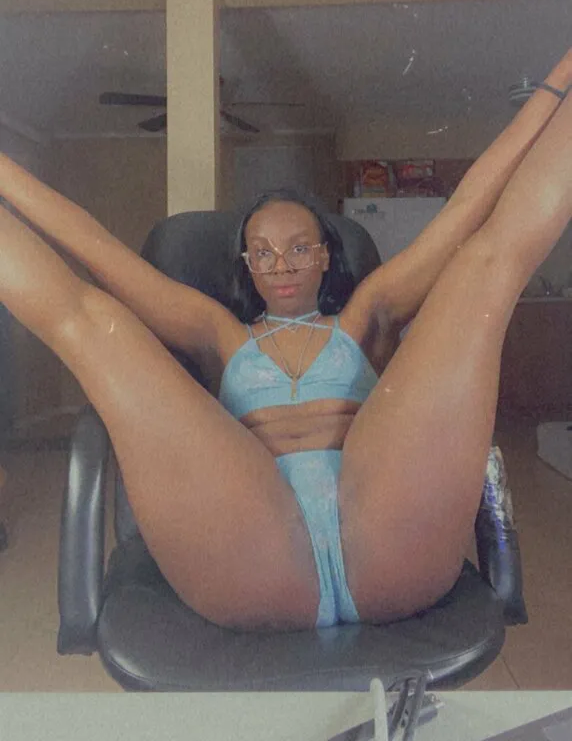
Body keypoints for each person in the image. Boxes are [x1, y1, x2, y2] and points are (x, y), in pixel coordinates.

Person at [0, 48, 571, 632]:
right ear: (247, 265)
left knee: (482, 265)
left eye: (299, 248)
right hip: (255, 554)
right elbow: (95, 250)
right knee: (95, 323)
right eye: (263, 253)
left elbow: (471, 206)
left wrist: (556, 84)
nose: (281, 265)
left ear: (324, 255)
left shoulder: (367, 315)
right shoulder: (219, 334)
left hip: (387, 541)